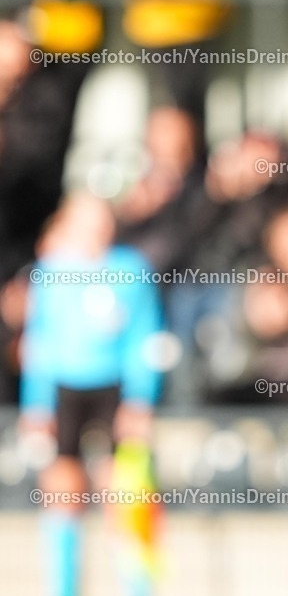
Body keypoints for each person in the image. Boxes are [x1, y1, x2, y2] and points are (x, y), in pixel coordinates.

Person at [18, 193, 163, 596]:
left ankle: (139, 587)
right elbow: (39, 343)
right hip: (65, 391)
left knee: (126, 494)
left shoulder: (131, 269)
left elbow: (144, 339)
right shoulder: (49, 273)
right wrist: (36, 405)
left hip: (113, 390)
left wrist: (139, 398)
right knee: (62, 493)